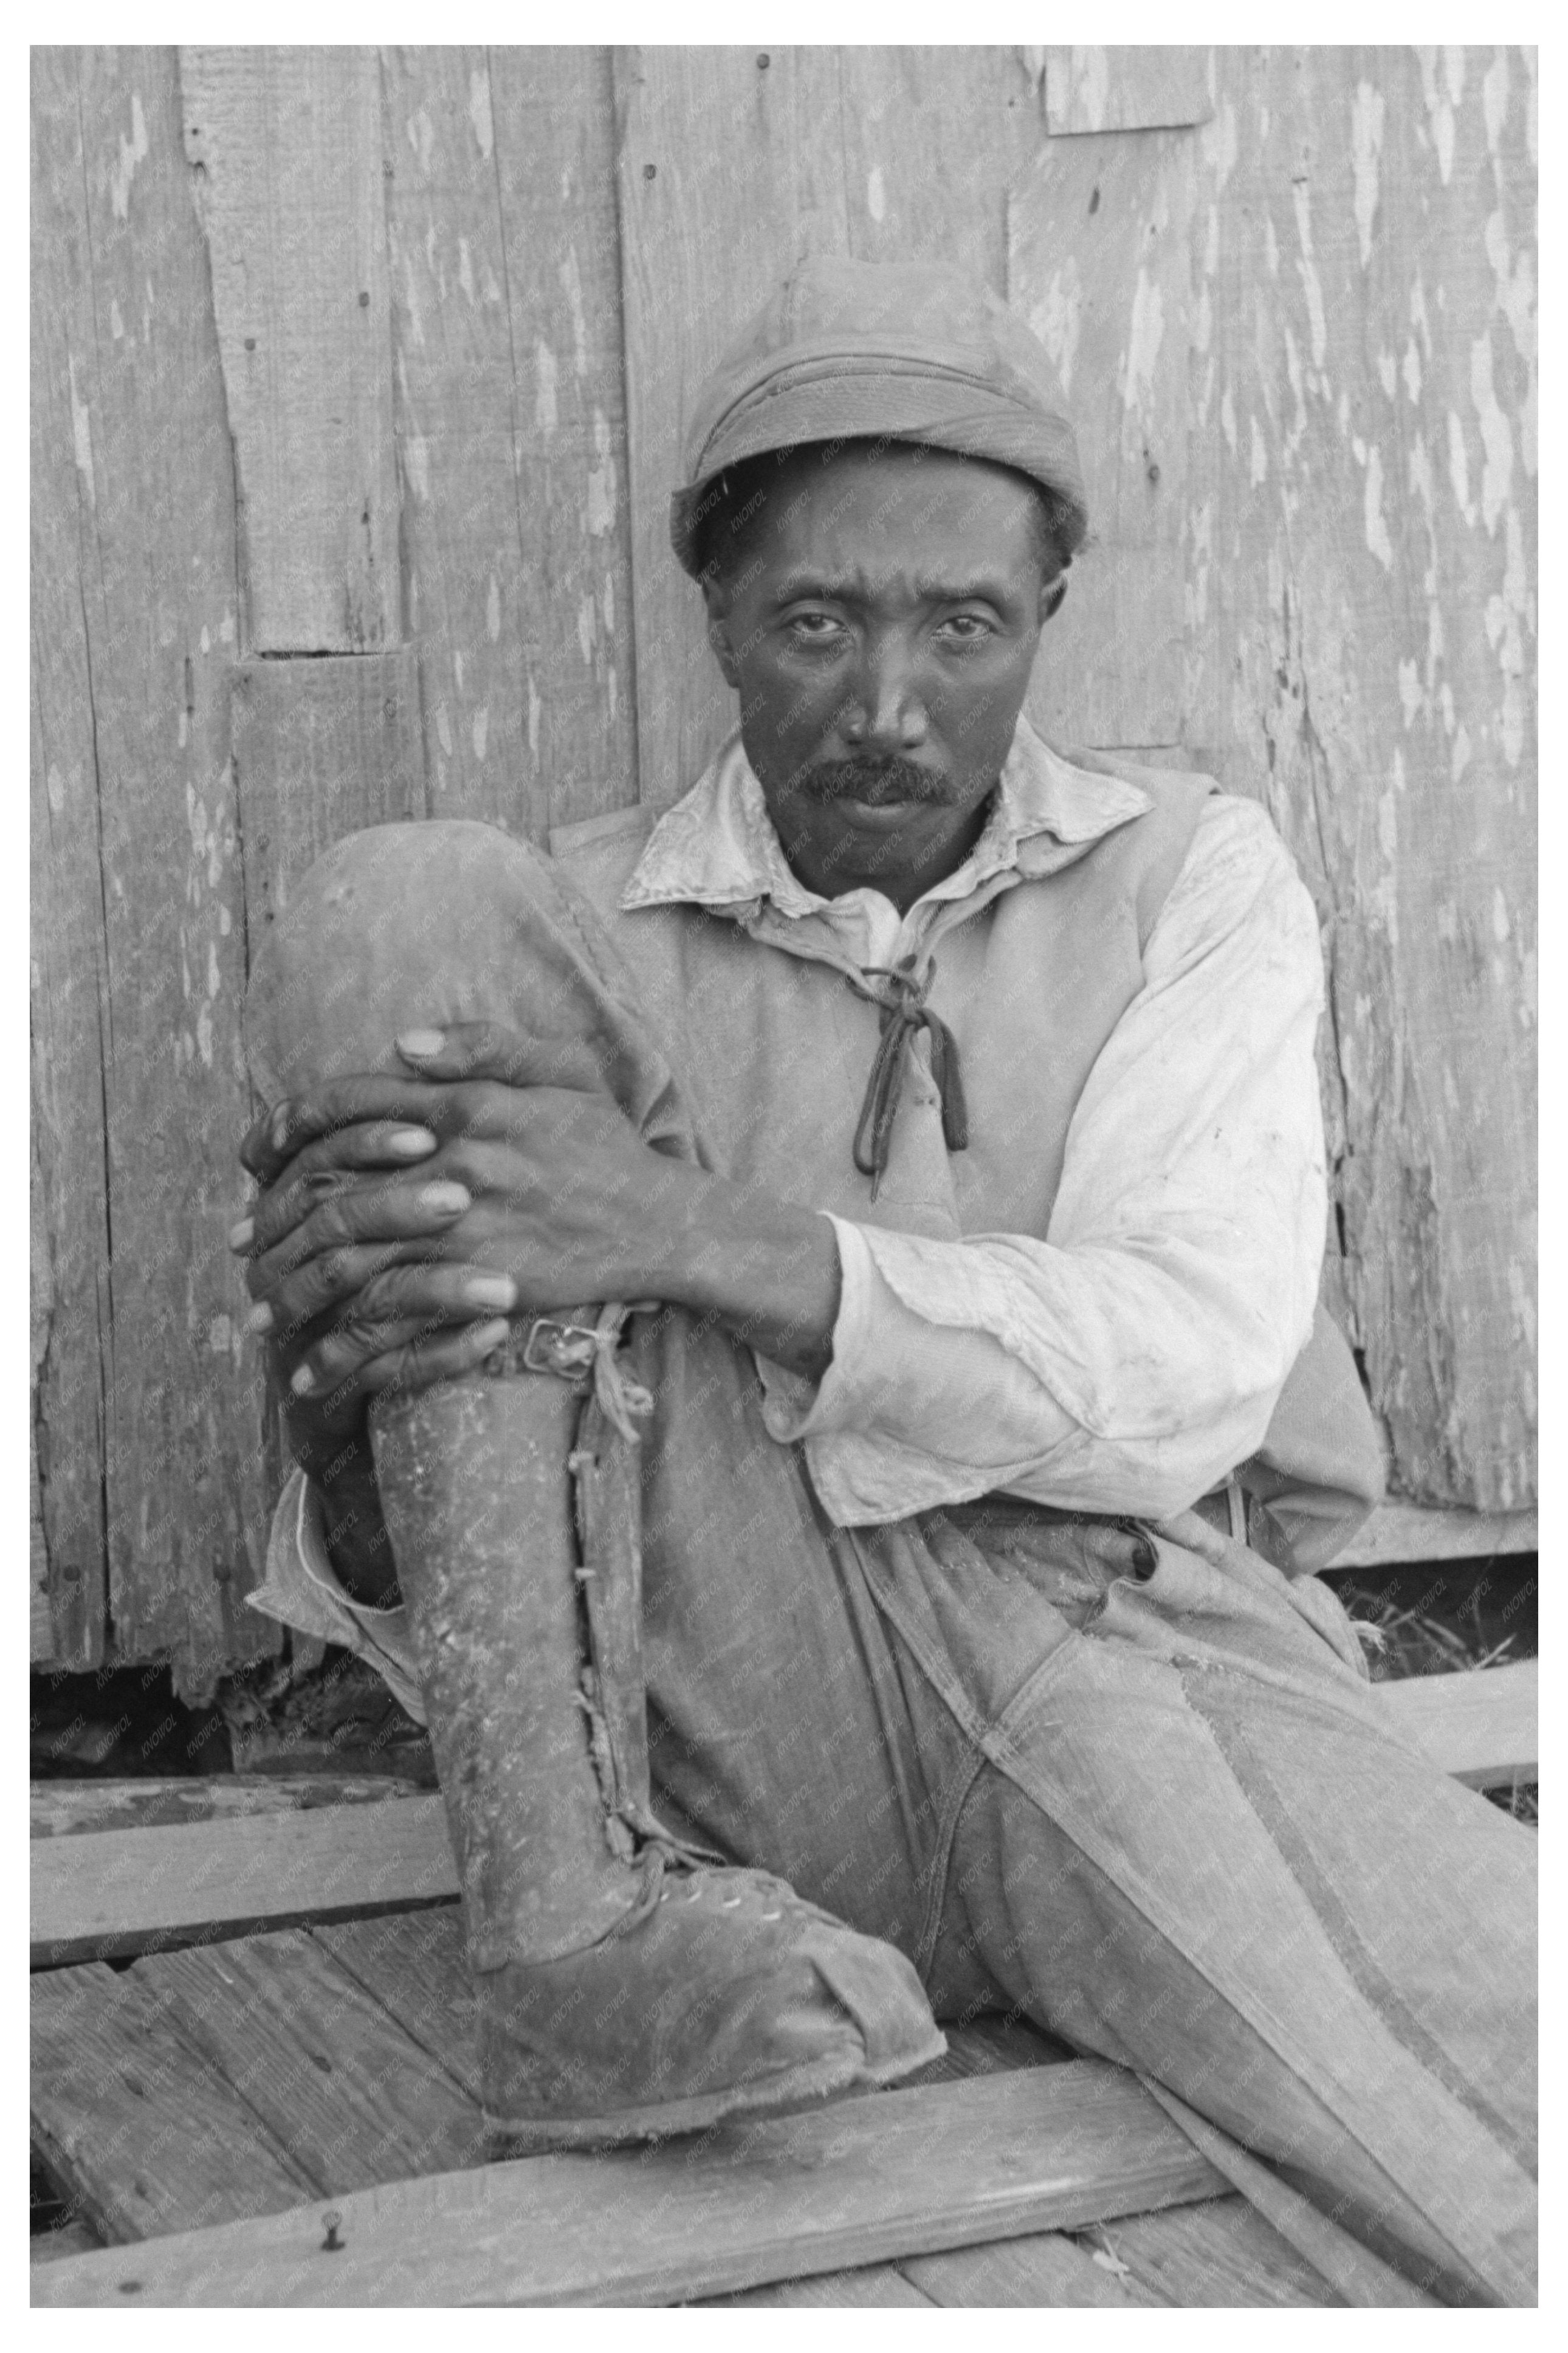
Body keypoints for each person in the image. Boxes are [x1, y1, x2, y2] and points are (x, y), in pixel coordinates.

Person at [232, 259, 1535, 2303]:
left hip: (1122, 1641)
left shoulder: (1190, 880)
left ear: (1046, 623)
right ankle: (561, 1944)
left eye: (964, 626)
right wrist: (344, 1414)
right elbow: (484, 1568)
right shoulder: (576, 937)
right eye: (816, 623)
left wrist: (684, 1235)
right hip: (732, 1727)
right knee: (403, 907)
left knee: (1504, 2109)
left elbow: (1189, 1365)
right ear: (722, 622)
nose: (887, 704)